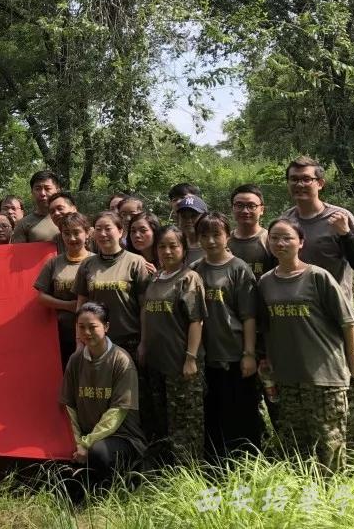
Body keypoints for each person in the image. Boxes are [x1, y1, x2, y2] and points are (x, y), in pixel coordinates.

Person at [281, 155, 354, 454]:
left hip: (336, 319)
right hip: (300, 320)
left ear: (320, 183)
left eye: (306, 179)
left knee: (349, 384)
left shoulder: (339, 217)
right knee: (309, 388)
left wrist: (345, 235)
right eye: (294, 179)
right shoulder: (287, 221)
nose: (299, 184)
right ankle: (309, 452)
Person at [258, 217, 354, 472]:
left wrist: (352, 357)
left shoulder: (317, 276)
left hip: (324, 376)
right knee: (296, 446)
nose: (280, 243)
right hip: (287, 376)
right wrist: (268, 359)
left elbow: (347, 321)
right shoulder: (265, 282)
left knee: (329, 444)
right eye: (275, 238)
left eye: (287, 238)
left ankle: (334, 493)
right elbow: (267, 327)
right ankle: (304, 493)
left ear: (301, 242)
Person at [192, 213, 262, 460]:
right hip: (205, 354)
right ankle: (215, 464)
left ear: (227, 236)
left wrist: (249, 354)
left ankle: (246, 462)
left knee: (240, 411)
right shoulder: (195, 269)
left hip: (233, 353)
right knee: (212, 413)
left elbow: (249, 316)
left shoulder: (239, 269)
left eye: (216, 235)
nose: (211, 241)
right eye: (205, 235)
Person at [59, 302, 146, 496]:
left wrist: (87, 443)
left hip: (121, 437)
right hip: (86, 436)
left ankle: (120, 487)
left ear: (106, 327)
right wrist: (77, 442)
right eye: (81, 327)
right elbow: (69, 406)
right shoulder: (75, 360)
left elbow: (117, 412)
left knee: (98, 453)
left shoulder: (121, 360)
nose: (86, 332)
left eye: (92, 327)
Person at [139, 225, 205, 464]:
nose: (167, 251)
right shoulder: (155, 277)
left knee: (185, 420)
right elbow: (146, 312)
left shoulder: (189, 278)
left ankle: (188, 468)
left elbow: (196, 320)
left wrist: (191, 357)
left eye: (173, 246)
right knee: (162, 417)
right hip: (157, 361)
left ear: (184, 249)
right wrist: (143, 344)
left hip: (180, 362)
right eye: (162, 246)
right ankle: (165, 466)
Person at [73, 212, 151, 363]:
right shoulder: (87, 264)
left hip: (130, 340)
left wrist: (144, 342)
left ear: (120, 231)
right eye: (98, 229)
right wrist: (79, 341)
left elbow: (145, 307)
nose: (103, 234)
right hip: (96, 340)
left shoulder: (136, 262)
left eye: (108, 229)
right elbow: (80, 305)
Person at [35, 213, 94, 368]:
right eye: (66, 233)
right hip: (63, 333)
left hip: (94, 332)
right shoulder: (53, 263)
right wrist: (68, 306)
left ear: (87, 233)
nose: (72, 238)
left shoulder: (97, 261)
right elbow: (41, 297)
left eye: (76, 233)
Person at [228, 184, 276, 280]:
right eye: (239, 205)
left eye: (251, 206)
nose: (245, 211)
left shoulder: (270, 240)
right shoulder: (224, 240)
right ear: (232, 208)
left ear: (262, 209)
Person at [11, 171, 62, 244]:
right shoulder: (23, 224)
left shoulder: (70, 217)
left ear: (58, 190)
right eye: (38, 189)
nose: (42, 193)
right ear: (32, 192)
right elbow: (19, 250)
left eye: (47, 188)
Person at [172, 194, 207, 266]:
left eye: (193, 216)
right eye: (184, 216)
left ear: (205, 217)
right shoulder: (173, 245)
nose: (188, 220)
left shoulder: (213, 244)